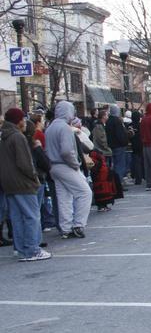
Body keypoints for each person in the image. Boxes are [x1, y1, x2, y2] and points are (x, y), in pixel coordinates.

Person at [2, 109, 50, 261]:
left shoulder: (4, 136)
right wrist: (34, 177)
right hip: (23, 182)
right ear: (19, 120)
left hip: (9, 183)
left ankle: (22, 249)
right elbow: (25, 163)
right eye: (23, 118)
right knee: (31, 216)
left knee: (16, 218)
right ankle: (32, 249)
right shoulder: (18, 137)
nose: (25, 121)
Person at [45, 101, 92, 237]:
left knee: (63, 197)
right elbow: (66, 151)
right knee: (85, 193)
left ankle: (65, 227)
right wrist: (75, 164)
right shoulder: (65, 128)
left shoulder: (50, 127)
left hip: (53, 166)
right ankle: (79, 224)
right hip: (66, 165)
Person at [106, 105, 129, 187]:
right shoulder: (117, 121)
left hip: (111, 145)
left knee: (114, 164)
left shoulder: (108, 121)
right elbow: (120, 135)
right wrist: (125, 141)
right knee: (120, 165)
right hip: (119, 146)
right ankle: (118, 183)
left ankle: (114, 183)